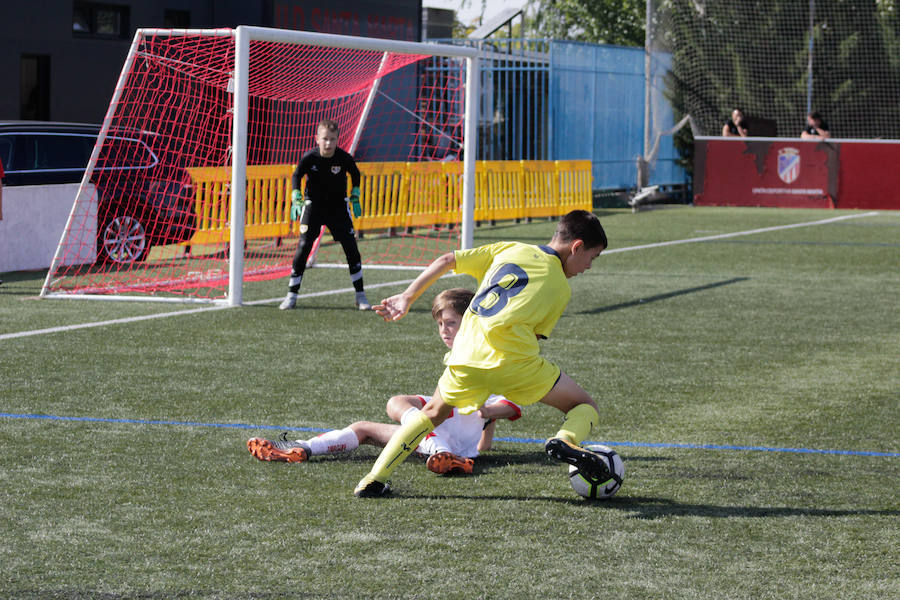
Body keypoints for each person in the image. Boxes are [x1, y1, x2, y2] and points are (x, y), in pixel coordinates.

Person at [354, 209, 610, 497]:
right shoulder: (560, 289)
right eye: (592, 257)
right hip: (515, 364)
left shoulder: (508, 249)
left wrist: (407, 296)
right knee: (583, 406)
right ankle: (566, 440)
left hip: (465, 356)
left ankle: (375, 478)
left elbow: (446, 260)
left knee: (431, 413)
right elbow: (535, 333)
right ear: (576, 247)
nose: (588, 266)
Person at [249, 288, 522, 473]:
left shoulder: (488, 358)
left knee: (404, 411)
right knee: (371, 422)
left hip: (451, 437)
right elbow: (484, 430)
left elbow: (511, 404)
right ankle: (302, 448)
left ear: (472, 324)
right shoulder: (456, 358)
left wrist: (485, 411)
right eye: (440, 325)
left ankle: (442, 450)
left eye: (450, 323)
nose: (443, 330)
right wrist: (482, 442)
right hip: (445, 439)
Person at [279, 118, 370, 311]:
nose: (328, 143)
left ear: (337, 140)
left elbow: (355, 174)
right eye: (325, 139)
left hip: (338, 208)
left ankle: (360, 296)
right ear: (317, 139)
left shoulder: (344, 158)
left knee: (351, 247)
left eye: (332, 139)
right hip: (313, 207)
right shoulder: (309, 157)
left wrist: (355, 194)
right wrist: (296, 195)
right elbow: (297, 175)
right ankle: (291, 295)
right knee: (303, 246)